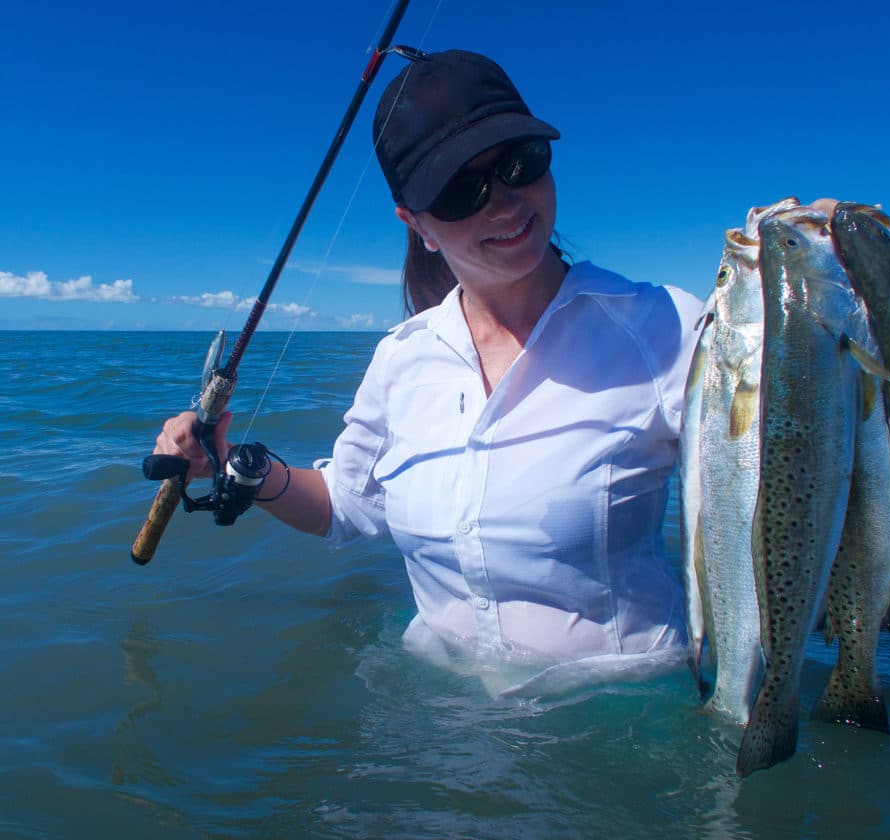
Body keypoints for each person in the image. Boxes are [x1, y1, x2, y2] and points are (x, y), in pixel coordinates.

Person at [153, 49, 704, 696]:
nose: (504, 202)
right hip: (440, 720)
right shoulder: (402, 357)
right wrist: (237, 463)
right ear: (417, 225)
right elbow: (345, 507)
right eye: (459, 191)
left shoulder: (669, 326)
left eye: (519, 163)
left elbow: (800, 468)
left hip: (626, 719)